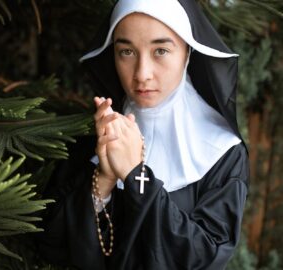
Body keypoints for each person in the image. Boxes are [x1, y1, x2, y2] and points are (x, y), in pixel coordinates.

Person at [40, 0, 249, 269]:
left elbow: (204, 258)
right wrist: (102, 181)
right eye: (126, 52)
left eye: (160, 50)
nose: (142, 74)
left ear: (187, 51)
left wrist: (136, 177)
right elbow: (50, 246)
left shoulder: (223, 151)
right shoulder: (91, 138)